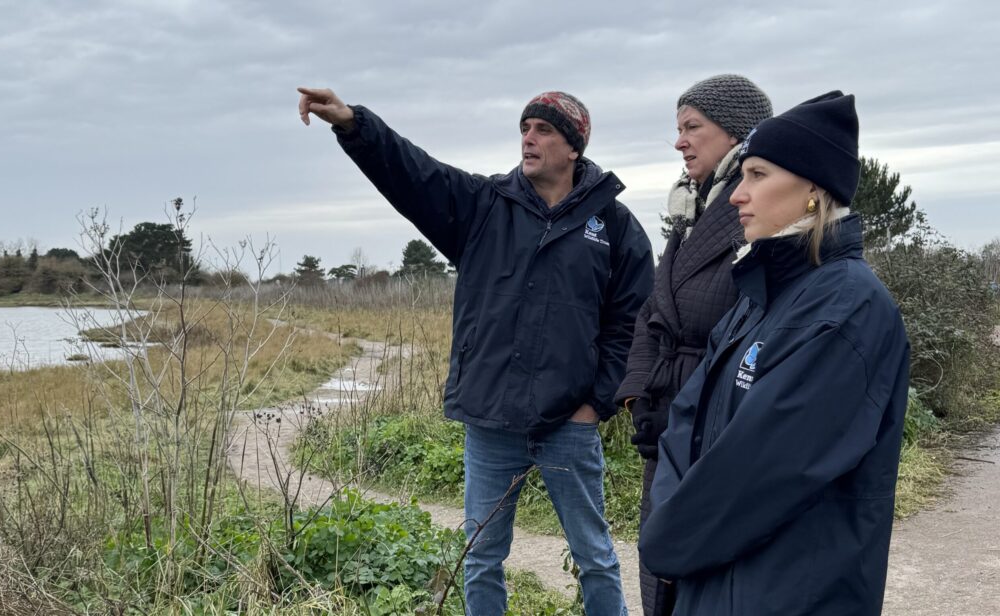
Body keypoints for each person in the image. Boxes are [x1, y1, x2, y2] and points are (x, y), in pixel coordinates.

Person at [297, 87, 653, 616]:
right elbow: (413, 173)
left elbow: (632, 323)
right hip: (490, 418)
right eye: (524, 130)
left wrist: (595, 404)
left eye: (544, 131)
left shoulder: (615, 226)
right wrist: (353, 124)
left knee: (595, 557)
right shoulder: (483, 205)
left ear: (574, 145)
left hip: (568, 424)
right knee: (480, 555)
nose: (528, 140)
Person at [638, 91, 910, 615]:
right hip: (713, 578)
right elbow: (685, 422)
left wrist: (665, 540)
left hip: (787, 593)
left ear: (813, 187)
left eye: (757, 175)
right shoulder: (762, 296)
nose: (738, 195)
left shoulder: (847, 311)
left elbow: (759, 475)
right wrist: (668, 521)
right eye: (742, 177)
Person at [614, 74, 772, 616]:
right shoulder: (690, 209)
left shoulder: (757, 212)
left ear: (735, 133)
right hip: (666, 414)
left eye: (691, 127)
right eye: (677, 128)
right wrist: (638, 393)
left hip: (717, 416)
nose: (679, 141)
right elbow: (653, 311)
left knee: (702, 566)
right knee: (657, 553)